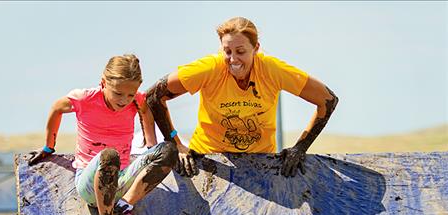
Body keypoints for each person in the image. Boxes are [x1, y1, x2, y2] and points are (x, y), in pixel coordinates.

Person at [28, 54, 178, 215]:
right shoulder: (85, 98)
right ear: (103, 83)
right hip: (91, 184)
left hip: (121, 181)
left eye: (129, 94)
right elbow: (57, 108)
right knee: (109, 156)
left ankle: (123, 208)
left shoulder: (138, 99)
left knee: (168, 150)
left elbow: (145, 111)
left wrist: (150, 145)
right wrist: (49, 146)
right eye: (118, 93)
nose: (124, 100)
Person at [145, 17, 338, 177]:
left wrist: (300, 148)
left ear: (256, 48)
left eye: (241, 51)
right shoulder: (209, 69)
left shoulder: (272, 70)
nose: (233, 59)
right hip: (207, 160)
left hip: (259, 163)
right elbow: (154, 96)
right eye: (227, 51)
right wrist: (175, 143)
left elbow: (327, 100)